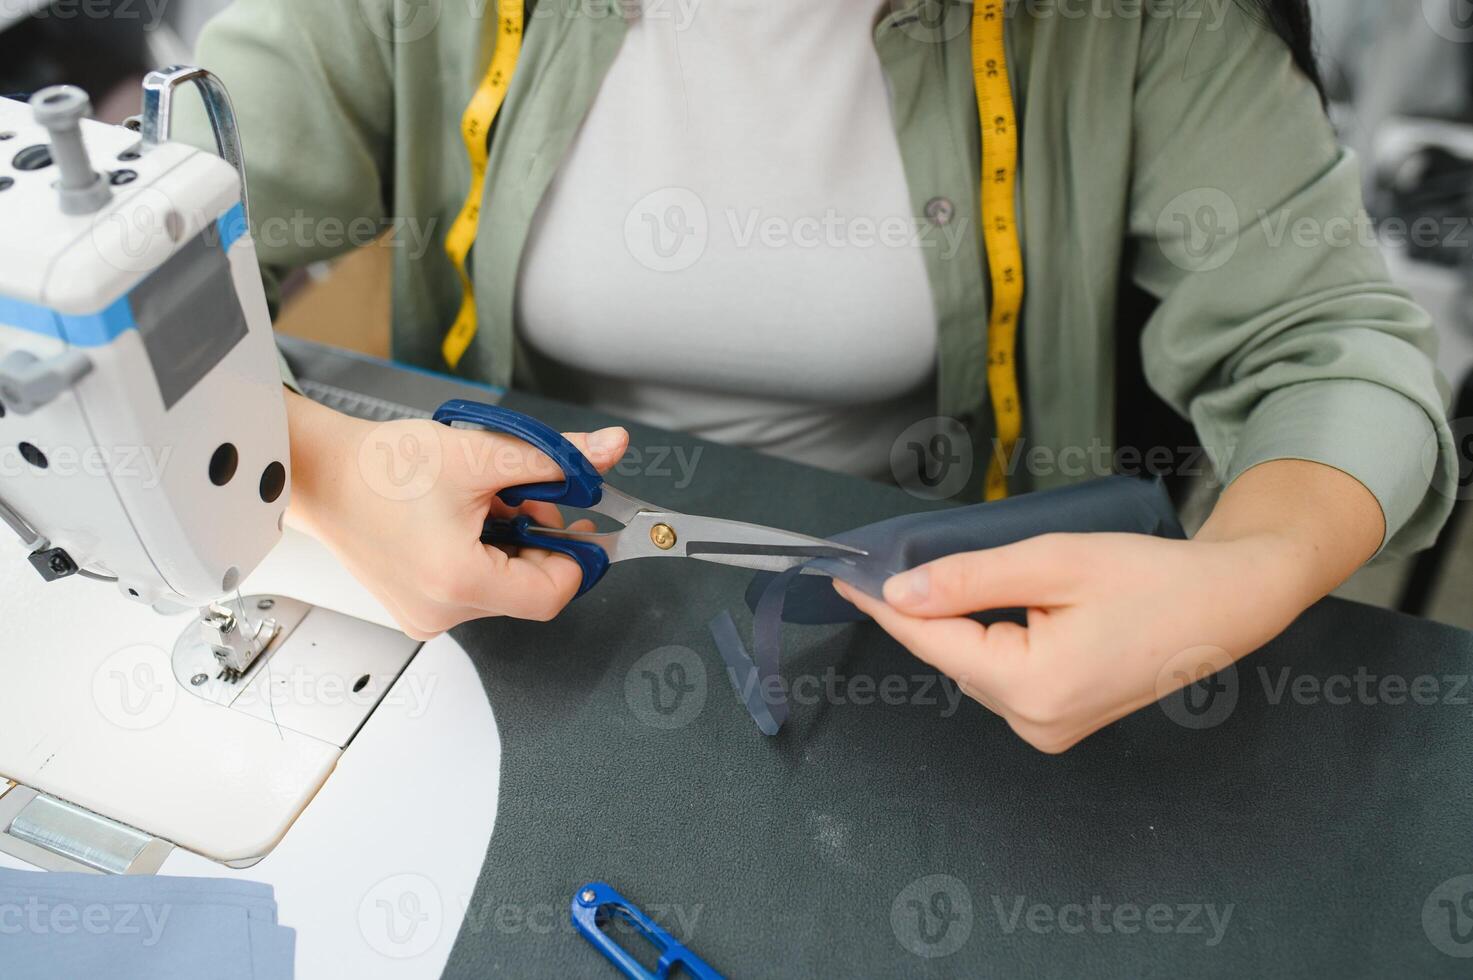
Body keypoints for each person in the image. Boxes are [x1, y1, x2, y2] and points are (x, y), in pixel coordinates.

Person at [186, 0, 1456, 752]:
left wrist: (1241, 575)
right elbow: (100, 264)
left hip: (937, 657)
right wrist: (326, 463)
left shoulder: (1136, 31)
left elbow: (1334, 346)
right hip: (515, 607)